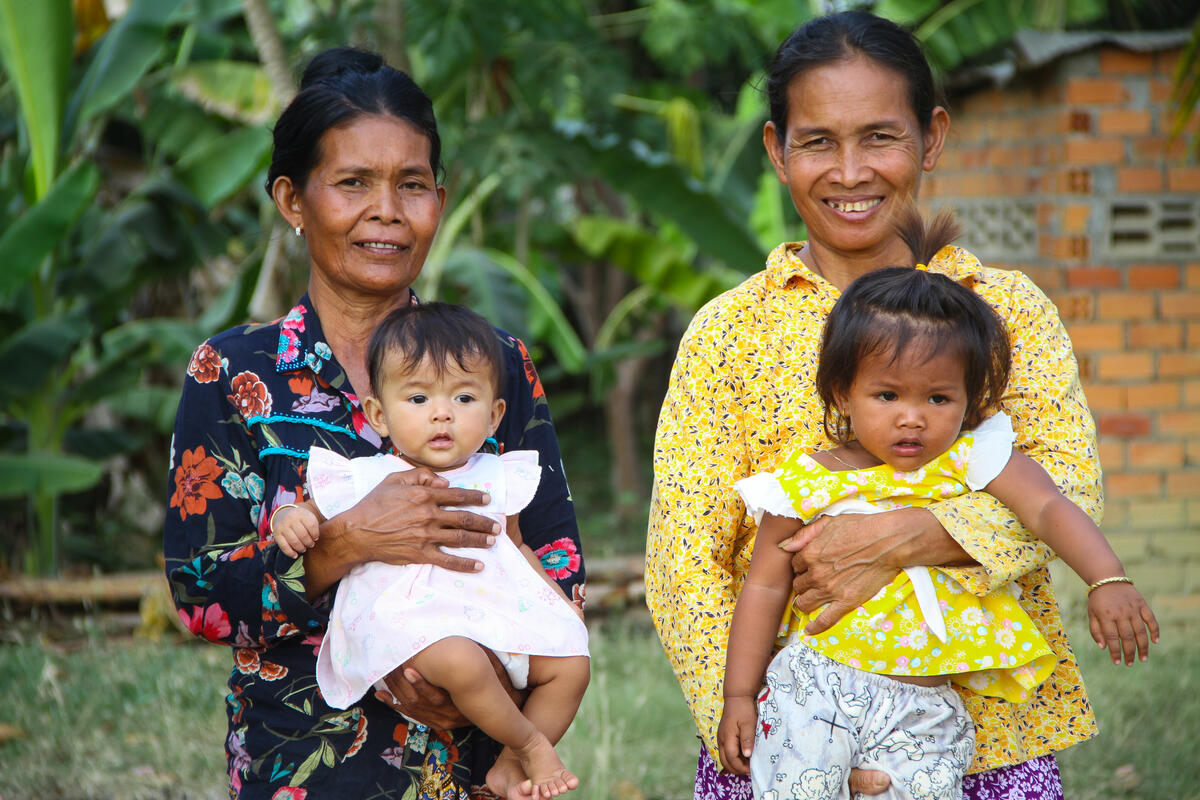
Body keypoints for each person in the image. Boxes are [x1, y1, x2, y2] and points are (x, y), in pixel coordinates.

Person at [646, 11, 1109, 800]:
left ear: (931, 138)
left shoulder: (1004, 309)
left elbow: (1069, 486)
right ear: (776, 150)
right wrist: (755, 716)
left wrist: (899, 539)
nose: (850, 171)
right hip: (789, 738)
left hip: (986, 738)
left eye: (880, 137)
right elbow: (685, 560)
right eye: (818, 140)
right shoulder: (729, 332)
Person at [163, 47, 585, 800]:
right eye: (353, 183)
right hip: (306, 760)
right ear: (294, 201)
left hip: (477, 763)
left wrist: (480, 674)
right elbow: (201, 599)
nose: (386, 210)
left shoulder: (497, 364)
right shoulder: (232, 373)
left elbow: (556, 561)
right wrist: (351, 542)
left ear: (440, 200)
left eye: (411, 184)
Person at [716, 209, 1158, 800]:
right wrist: (739, 696)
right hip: (816, 686)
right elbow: (765, 588)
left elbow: (1051, 509)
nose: (912, 416)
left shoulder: (975, 458)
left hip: (928, 706)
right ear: (843, 393)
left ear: (971, 399)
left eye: (939, 397)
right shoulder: (805, 482)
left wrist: (1107, 579)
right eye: (887, 394)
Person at [270, 302, 589, 799]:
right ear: (378, 414)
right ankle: (529, 742)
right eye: (418, 398)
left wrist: (558, 603)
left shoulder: (497, 474)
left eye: (464, 397)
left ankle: (507, 766)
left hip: (491, 610)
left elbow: (518, 546)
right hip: (410, 618)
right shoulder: (368, 475)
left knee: (572, 664)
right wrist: (289, 518)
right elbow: (313, 510)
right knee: (460, 660)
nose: (442, 413)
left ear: (494, 415)